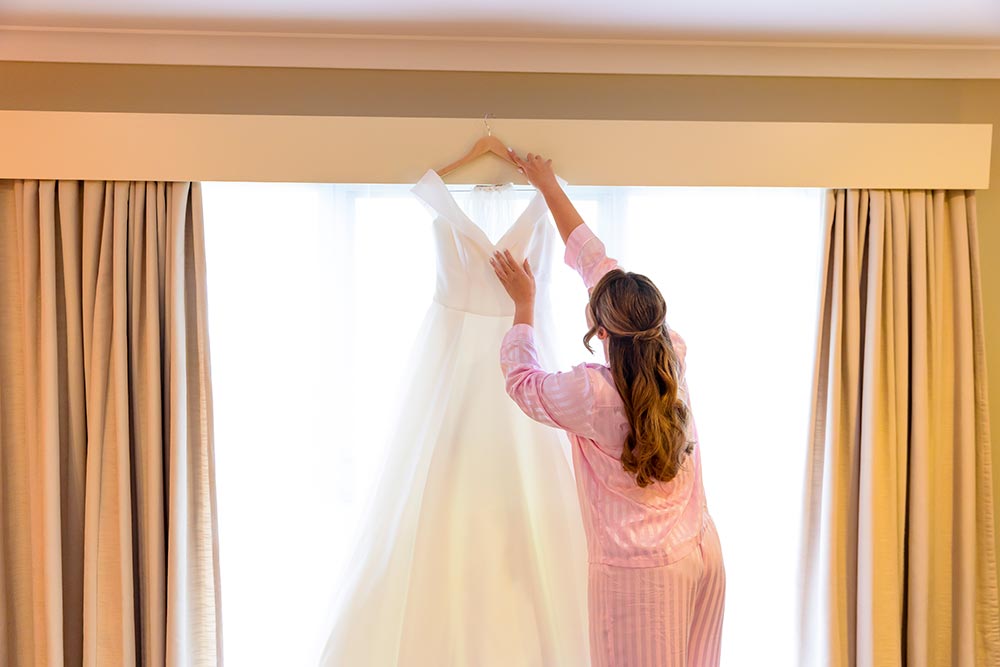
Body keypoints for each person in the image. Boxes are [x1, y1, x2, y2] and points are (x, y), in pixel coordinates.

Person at [490, 149, 726, 667]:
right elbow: (599, 264)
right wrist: (546, 183)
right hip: (702, 551)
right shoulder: (673, 353)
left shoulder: (592, 395)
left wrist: (523, 306)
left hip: (642, 577)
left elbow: (523, 384)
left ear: (600, 330)